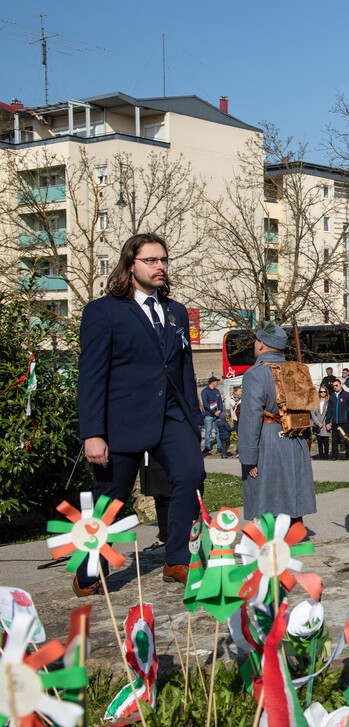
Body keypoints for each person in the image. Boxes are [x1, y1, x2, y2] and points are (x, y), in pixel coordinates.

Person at [76, 232, 204, 594]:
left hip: (171, 416)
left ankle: (177, 559)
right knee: (110, 499)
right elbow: (91, 375)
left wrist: (193, 421)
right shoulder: (103, 312)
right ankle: (90, 572)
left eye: (163, 259)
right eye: (151, 260)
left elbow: (183, 369)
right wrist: (92, 433)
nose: (160, 266)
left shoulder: (176, 311)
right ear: (130, 265)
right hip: (122, 420)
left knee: (191, 474)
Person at [237, 322, 317, 524]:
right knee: (292, 503)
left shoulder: (254, 375)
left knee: (269, 504)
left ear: (261, 344)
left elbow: (250, 419)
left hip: (269, 442)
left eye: (256, 341)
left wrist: (248, 457)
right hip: (296, 441)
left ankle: (273, 542)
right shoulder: (297, 371)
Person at [326, 379, 349, 460]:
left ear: (340, 385)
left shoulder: (347, 395)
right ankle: (335, 455)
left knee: (346, 439)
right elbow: (329, 410)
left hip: (345, 421)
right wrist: (327, 422)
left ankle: (348, 455)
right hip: (335, 421)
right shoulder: (332, 396)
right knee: (334, 440)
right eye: (333, 386)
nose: (335, 387)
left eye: (336, 385)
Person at [200, 375, 224, 455]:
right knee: (208, 432)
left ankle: (219, 447)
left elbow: (220, 401)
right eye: (216, 382)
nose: (217, 383)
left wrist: (220, 410)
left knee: (218, 431)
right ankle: (207, 447)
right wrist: (213, 412)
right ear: (213, 382)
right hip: (209, 415)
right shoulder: (205, 391)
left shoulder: (217, 391)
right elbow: (205, 404)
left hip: (217, 415)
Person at [310, 387, 331, 459]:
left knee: (326, 441)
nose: (323, 393)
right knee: (319, 441)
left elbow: (330, 413)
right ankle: (321, 455)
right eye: (321, 392)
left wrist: (329, 423)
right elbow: (313, 413)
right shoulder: (315, 402)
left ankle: (326, 455)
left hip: (325, 423)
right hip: (318, 424)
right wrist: (318, 423)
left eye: (324, 391)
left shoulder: (328, 401)